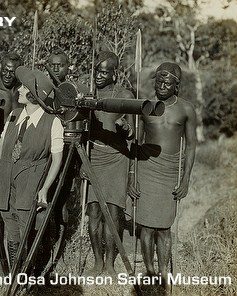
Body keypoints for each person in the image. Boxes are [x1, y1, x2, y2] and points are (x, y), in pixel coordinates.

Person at [127, 62, 196, 283]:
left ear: (177, 85)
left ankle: (164, 272)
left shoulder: (186, 109)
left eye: (167, 82)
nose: (162, 86)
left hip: (170, 172)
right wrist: (132, 175)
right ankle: (149, 271)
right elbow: (136, 142)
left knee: (164, 226)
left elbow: (192, 146)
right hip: (146, 168)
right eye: (158, 81)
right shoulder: (146, 105)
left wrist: (185, 179)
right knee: (146, 225)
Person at [0, 66, 64, 269]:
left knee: (26, 229)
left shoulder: (53, 122)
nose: (19, 90)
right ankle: (14, 271)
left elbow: (57, 159)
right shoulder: (14, 114)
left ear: (34, 95)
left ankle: (26, 274)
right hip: (6, 180)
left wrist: (45, 188)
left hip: (29, 183)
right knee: (11, 228)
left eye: (23, 87)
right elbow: (1, 144)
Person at [83, 51, 134, 276]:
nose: (99, 76)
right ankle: (97, 262)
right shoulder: (88, 94)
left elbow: (133, 134)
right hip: (94, 156)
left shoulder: (124, 94)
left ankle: (111, 265)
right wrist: (83, 162)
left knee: (113, 212)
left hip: (116, 159)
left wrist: (125, 128)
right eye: (97, 71)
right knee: (93, 211)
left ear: (114, 74)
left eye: (104, 72)